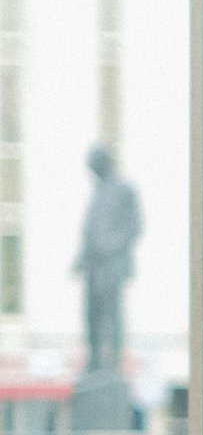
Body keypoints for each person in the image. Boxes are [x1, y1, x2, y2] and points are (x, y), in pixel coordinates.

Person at [72, 144, 143, 376]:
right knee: (91, 313)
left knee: (112, 314)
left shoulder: (124, 189)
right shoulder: (97, 191)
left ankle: (112, 362)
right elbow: (89, 231)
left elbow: (134, 225)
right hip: (94, 265)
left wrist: (110, 246)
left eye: (93, 165)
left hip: (112, 265)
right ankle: (93, 361)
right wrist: (81, 258)